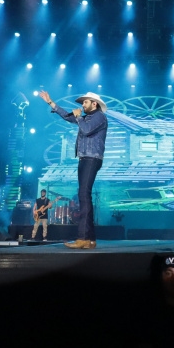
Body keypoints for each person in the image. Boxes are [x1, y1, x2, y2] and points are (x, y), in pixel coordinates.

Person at [38, 90, 108, 250]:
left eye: (85, 102)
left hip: (92, 158)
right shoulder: (87, 117)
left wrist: (77, 117)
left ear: (94, 103)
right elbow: (68, 116)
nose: (82, 105)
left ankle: (83, 237)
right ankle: (90, 239)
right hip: (85, 158)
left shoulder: (99, 116)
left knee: (83, 194)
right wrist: (51, 102)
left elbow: (86, 130)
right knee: (85, 196)